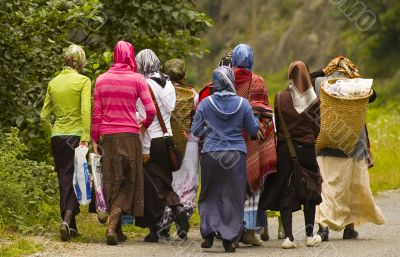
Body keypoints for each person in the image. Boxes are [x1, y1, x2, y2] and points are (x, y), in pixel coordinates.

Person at [311, 56, 385, 241]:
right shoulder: (358, 86)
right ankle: (349, 228)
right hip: (354, 145)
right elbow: (373, 95)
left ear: (330, 69)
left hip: (327, 143)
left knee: (328, 187)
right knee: (353, 188)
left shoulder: (320, 82)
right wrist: (355, 77)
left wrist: (323, 71)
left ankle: (324, 227)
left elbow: (306, 77)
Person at [91, 41, 156, 245]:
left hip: (107, 138)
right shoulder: (138, 79)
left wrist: (94, 138)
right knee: (127, 181)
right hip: (129, 136)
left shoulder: (101, 80)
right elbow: (151, 110)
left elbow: (96, 114)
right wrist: (144, 125)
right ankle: (112, 227)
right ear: (130, 56)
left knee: (111, 180)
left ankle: (116, 230)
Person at [192, 66, 260, 253]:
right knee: (233, 196)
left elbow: (196, 131)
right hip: (236, 155)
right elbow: (253, 130)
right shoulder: (243, 104)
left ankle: (208, 233)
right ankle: (229, 238)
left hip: (211, 154)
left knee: (209, 193)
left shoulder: (205, 104)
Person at [259, 61, 322, 249]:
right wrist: (308, 140)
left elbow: (278, 126)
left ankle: (289, 237)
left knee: (287, 189)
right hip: (308, 149)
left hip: (286, 149)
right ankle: (310, 235)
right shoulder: (315, 100)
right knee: (310, 187)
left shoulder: (280, 98)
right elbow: (317, 128)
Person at [134, 50, 189, 242]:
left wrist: (144, 150)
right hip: (167, 140)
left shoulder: (144, 84)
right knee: (163, 181)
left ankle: (154, 229)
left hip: (152, 141)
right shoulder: (168, 84)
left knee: (150, 187)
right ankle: (177, 208)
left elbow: (144, 118)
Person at [41, 44, 91, 242]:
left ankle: (71, 225)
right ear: (80, 61)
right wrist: (86, 137)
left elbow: (44, 115)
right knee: (75, 178)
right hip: (76, 136)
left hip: (57, 137)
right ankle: (67, 219)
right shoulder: (83, 81)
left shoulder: (53, 82)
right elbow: (86, 111)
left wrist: (51, 133)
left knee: (64, 176)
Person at [231, 43, 271, 246]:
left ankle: (231, 230)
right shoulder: (258, 81)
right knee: (253, 185)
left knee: (230, 183)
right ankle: (249, 231)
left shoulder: (224, 78)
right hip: (252, 140)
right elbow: (265, 113)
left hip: (228, 140)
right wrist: (261, 131)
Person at [157, 58, 199, 240]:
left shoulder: (162, 92)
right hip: (188, 143)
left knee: (168, 182)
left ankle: (164, 226)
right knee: (187, 183)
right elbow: (197, 120)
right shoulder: (193, 94)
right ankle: (183, 216)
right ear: (184, 74)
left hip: (167, 144)